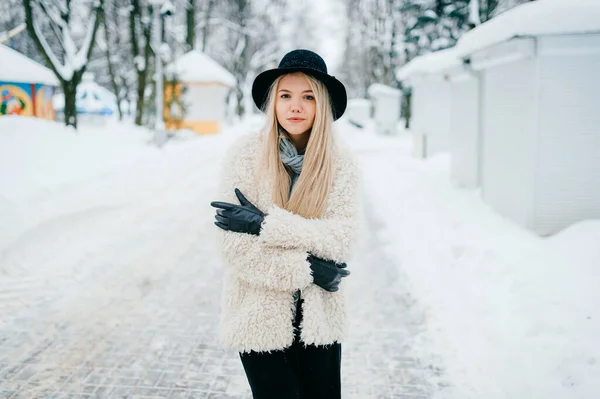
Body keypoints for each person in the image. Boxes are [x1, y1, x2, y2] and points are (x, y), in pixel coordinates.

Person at [210, 49, 361, 399]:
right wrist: (311, 268)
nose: (296, 106)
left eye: (308, 96)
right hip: (258, 316)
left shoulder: (341, 165)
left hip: (318, 320)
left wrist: (265, 226)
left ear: (322, 105)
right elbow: (236, 249)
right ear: (273, 102)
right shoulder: (245, 156)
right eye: (286, 96)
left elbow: (342, 237)